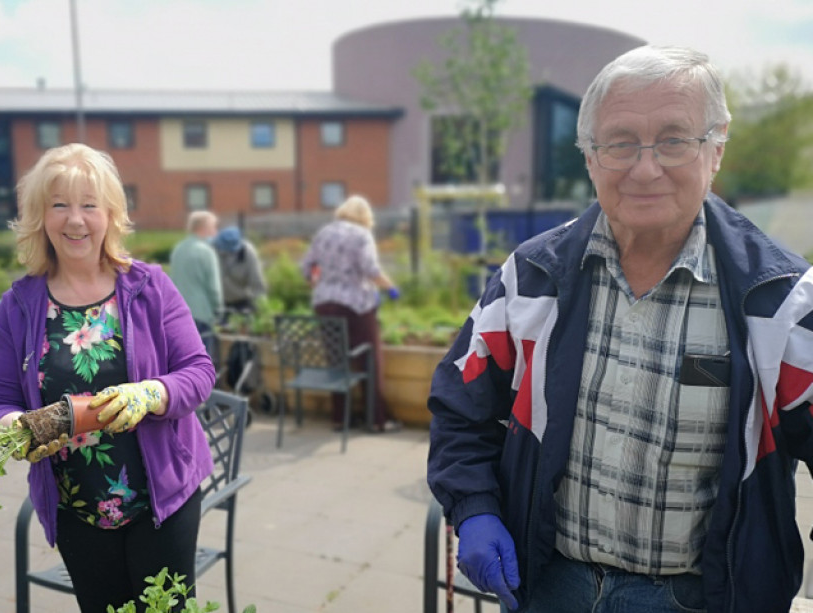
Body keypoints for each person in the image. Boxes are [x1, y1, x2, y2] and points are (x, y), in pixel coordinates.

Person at [427, 45, 813, 613]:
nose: (645, 167)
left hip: (698, 599)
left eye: (674, 140)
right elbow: (462, 407)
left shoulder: (781, 303)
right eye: (620, 142)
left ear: (717, 147)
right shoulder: (532, 278)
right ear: (589, 157)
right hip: (548, 586)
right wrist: (476, 507)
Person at [0, 143, 217, 613]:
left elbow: (199, 371)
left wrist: (153, 392)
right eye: (59, 205)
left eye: (89, 205)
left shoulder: (149, 287)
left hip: (160, 500)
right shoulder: (19, 306)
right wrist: (10, 427)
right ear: (39, 216)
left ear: (110, 214)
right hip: (75, 509)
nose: (76, 220)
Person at [300, 195, 401, 433]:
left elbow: (307, 269)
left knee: (337, 360)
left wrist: (323, 286)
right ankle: (377, 420)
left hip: (324, 303)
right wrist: (391, 287)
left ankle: (339, 418)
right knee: (369, 360)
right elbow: (370, 269)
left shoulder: (324, 232)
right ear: (365, 217)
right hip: (356, 306)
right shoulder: (361, 235)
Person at [170, 211, 224, 365]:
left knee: (182, 362)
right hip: (201, 313)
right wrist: (218, 311)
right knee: (201, 363)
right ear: (204, 228)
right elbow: (214, 289)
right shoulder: (206, 251)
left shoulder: (178, 250)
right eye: (214, 227)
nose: (215, 231)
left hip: (178, 313)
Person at [212, 225, 267, 316]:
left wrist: (262, 309)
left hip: (242, 301)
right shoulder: (211, 249)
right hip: (218, 303)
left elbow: (257, 283)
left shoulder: (248, 252)